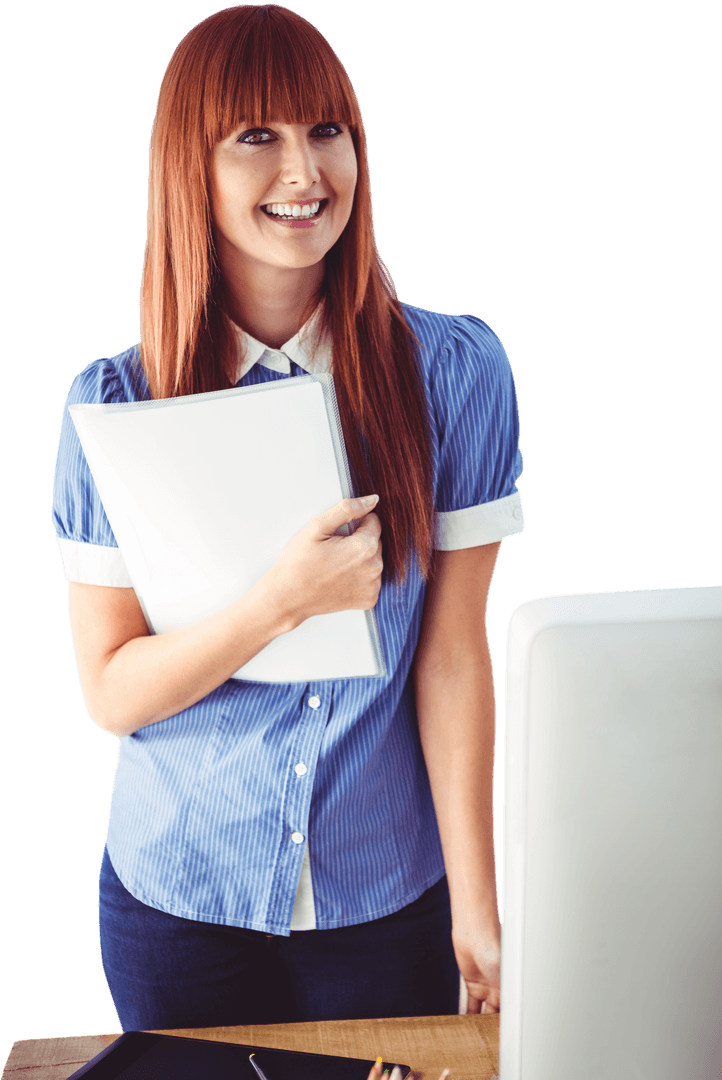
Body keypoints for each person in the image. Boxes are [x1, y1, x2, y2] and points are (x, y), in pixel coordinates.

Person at [51, 4, 524, 1029]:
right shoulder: (114, 406)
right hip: (176, 902)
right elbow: (111, 690)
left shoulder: (452, 375)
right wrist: (279, 602)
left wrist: (478, 907)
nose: (306, 172)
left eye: (327, 131)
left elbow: (450, 657)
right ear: (192, 167)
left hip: (385, 901)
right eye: (256, 137)